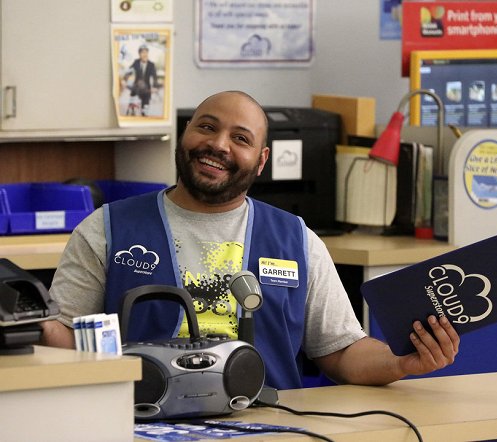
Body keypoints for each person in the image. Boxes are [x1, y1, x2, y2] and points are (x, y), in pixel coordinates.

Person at [41, 90, 460, 390]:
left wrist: (401, 362)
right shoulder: (107, 229)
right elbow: (59, 337)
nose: (218, 145)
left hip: (271, 425)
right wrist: (27, 324)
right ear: (186, 135)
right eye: (206, 127)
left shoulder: (297, 240)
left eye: (240, 138)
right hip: (145, 424)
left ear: (261, 160)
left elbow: (342, 352)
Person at [125, 44, 158, 116]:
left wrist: (155, 86)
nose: (144, 54)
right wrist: (126, 78)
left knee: (145, 111)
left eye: (146, 52)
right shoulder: (136, 62)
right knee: (132, 108)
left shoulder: (151, 64)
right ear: (139, 54)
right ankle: (132, 112)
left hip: (146, 90)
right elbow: (129, 71)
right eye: (142, 52)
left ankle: (144, 113)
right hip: (136, 88)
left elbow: (154, 77)